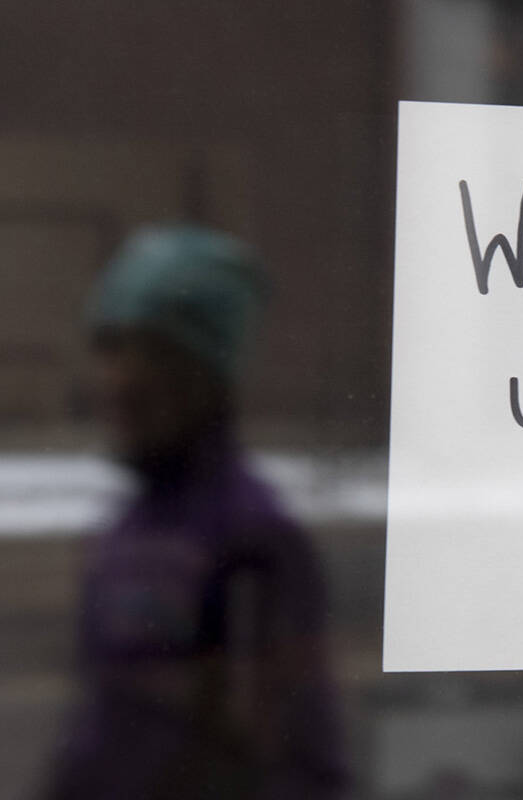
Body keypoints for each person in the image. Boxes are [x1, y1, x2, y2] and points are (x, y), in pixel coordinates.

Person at [42, 226, 346, 800]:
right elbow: (100, 735)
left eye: (155, 353)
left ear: (209, 377)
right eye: (111, 347)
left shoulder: (249, 537)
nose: (121, 378)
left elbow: (251, 753)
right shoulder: (125, 532)